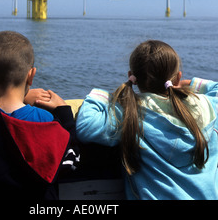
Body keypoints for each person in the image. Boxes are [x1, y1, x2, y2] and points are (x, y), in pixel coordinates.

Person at [76, 40, 218, 200]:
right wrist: (190, 84)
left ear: (132, 77)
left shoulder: (128, 112)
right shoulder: (209, 105)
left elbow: (85, 126)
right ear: (178, 77)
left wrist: (101, 95)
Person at [0, 31, 80, 200]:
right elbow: (72, 159)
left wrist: (0, 85)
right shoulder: (46, 122)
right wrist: (64, 111)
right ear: (31, 75)